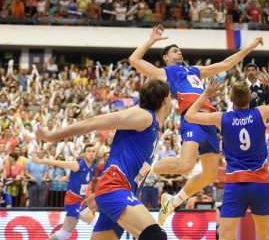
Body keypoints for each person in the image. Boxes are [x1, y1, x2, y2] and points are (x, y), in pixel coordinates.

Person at [128, 25, 263, 226]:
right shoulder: (168, 73)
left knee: (210, 174)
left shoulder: (195, 71)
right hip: (192, 117)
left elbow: (226, 64)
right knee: (186, 165)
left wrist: (251, 46)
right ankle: (145, 167)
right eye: (174, 50)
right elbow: (134, 60)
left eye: (179, 50)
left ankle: (172, 202)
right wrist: (151, 40)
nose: (179, 52)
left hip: (209, 121)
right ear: (166, 57)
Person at [34, 79, 170, 240]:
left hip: (117, 191)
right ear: (166, 100)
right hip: (115, 187)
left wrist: (100, 196)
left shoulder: (152, 126)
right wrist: (52, 136)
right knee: (155, 236)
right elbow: (95, 122)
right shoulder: (145, 116)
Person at [185, 68, 269, 240]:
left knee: (226, 236)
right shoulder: (261, 112)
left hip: (235, 184)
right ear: (250, 98)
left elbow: (190, 116)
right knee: (265, 235)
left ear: (231, 99)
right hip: (260, 182)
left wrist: (206, 94)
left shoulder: (223, 118)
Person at [31, 144, 97, 240]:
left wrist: (66, 177)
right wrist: (39, 161)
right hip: (73, 201)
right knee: (96, 222)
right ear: (84, 154)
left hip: (81, 200)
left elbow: (79, 178)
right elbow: (57, 162)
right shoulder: (77, 165)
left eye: (93, 151)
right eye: (89, 151)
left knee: (65, 233)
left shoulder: (92, 166)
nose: (91, 153)